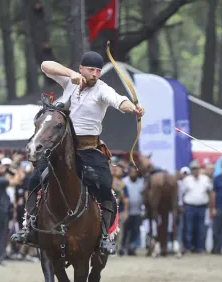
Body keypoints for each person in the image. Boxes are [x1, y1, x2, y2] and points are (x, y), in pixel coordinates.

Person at [11, 51, 145, 255]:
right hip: (60, 148)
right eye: (91, 69)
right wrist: (70, 74)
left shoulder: (102, 89)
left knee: (104, 185)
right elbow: (45, 65)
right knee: (35, 178)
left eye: (98, 71)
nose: (95, 74)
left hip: (87, 149)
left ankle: (104, 237)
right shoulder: (70, 81)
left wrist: (133, 108)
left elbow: (119, 101)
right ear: (82, 68)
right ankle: (29, 227)